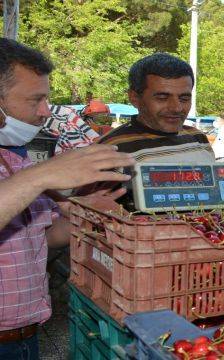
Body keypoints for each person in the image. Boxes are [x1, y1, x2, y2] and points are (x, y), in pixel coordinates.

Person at [0, 38, 134, 359]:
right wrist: (43, 174)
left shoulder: (15, 162)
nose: (45, 111)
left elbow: (44, 237)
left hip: (22, 336)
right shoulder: (30, 172)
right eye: (36, 100)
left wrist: (83, 213)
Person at [81, 53, 214, 209]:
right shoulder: (110, 148)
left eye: (184, 98)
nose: (176, 108)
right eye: (162, 98)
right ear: (134, 98)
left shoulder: (198, 138)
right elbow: (87, 210)